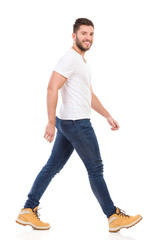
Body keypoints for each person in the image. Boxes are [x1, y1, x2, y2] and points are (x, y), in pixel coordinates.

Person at [16, 18, 142, 232]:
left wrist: (107, 115)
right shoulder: (70, 59)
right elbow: (51, 88)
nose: (88, 38)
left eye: (91, 34)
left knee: (52, 167)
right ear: (74, 36)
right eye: (84, 34)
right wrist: (49, 120)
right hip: (77, 124)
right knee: (95, 169)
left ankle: (28, 209)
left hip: (68, 124)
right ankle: (113, 216)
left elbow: (88, 95)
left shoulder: (82, 63)